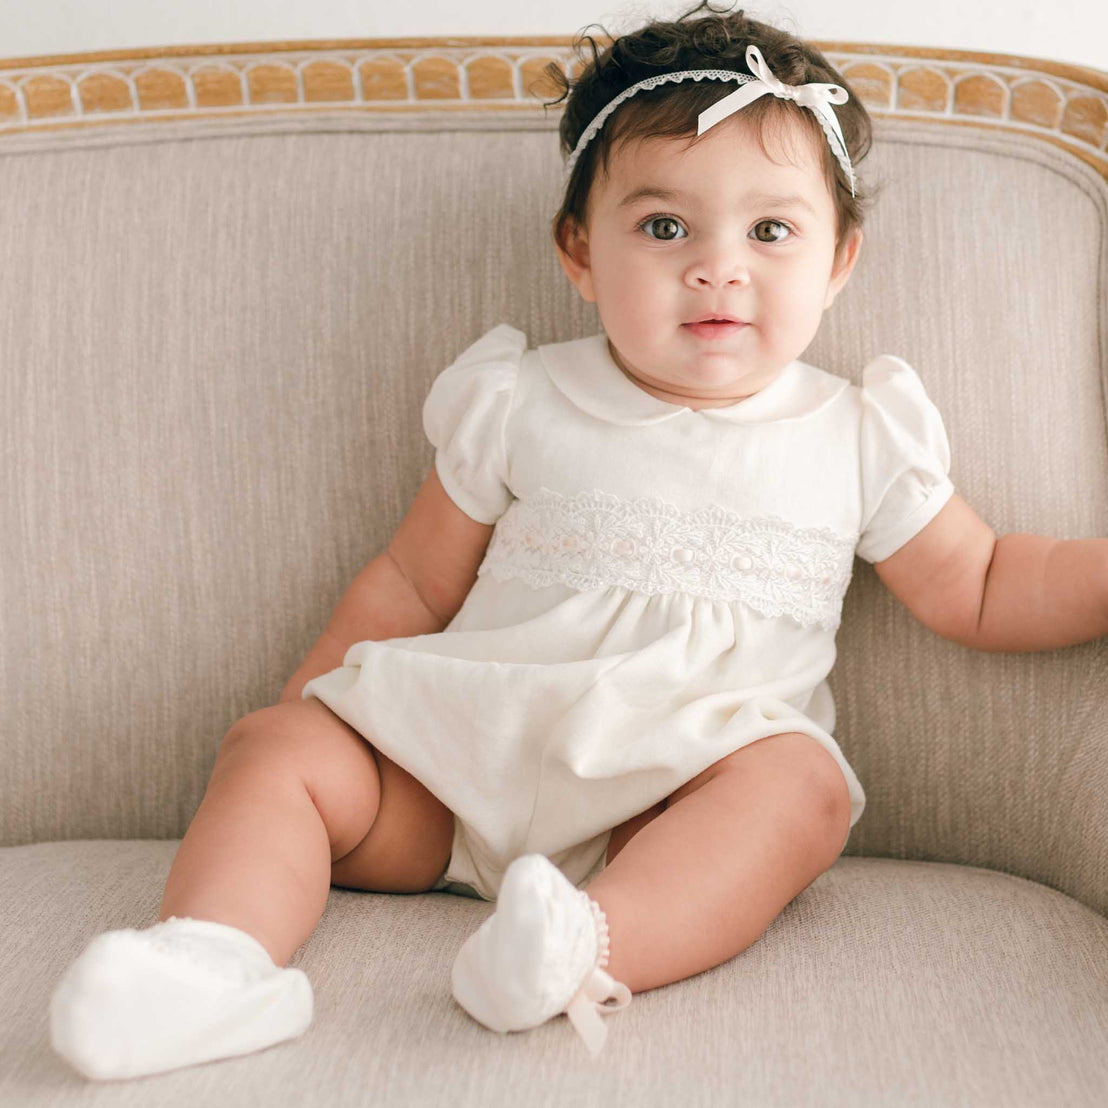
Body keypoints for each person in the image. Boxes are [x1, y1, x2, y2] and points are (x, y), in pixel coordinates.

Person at [49, 0, 1108, 1080]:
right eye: (663, 227)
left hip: (667, 803)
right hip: (450, 770)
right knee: (276, 749)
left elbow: (980, 581)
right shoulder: (518, 397)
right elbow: (413, 583)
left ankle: (575, 950)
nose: (717, 267)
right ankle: (209, 965)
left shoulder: (859, 434)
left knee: (798, 787)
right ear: (579, 252)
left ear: (839, 260)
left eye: (770, 230)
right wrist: (315, 700)